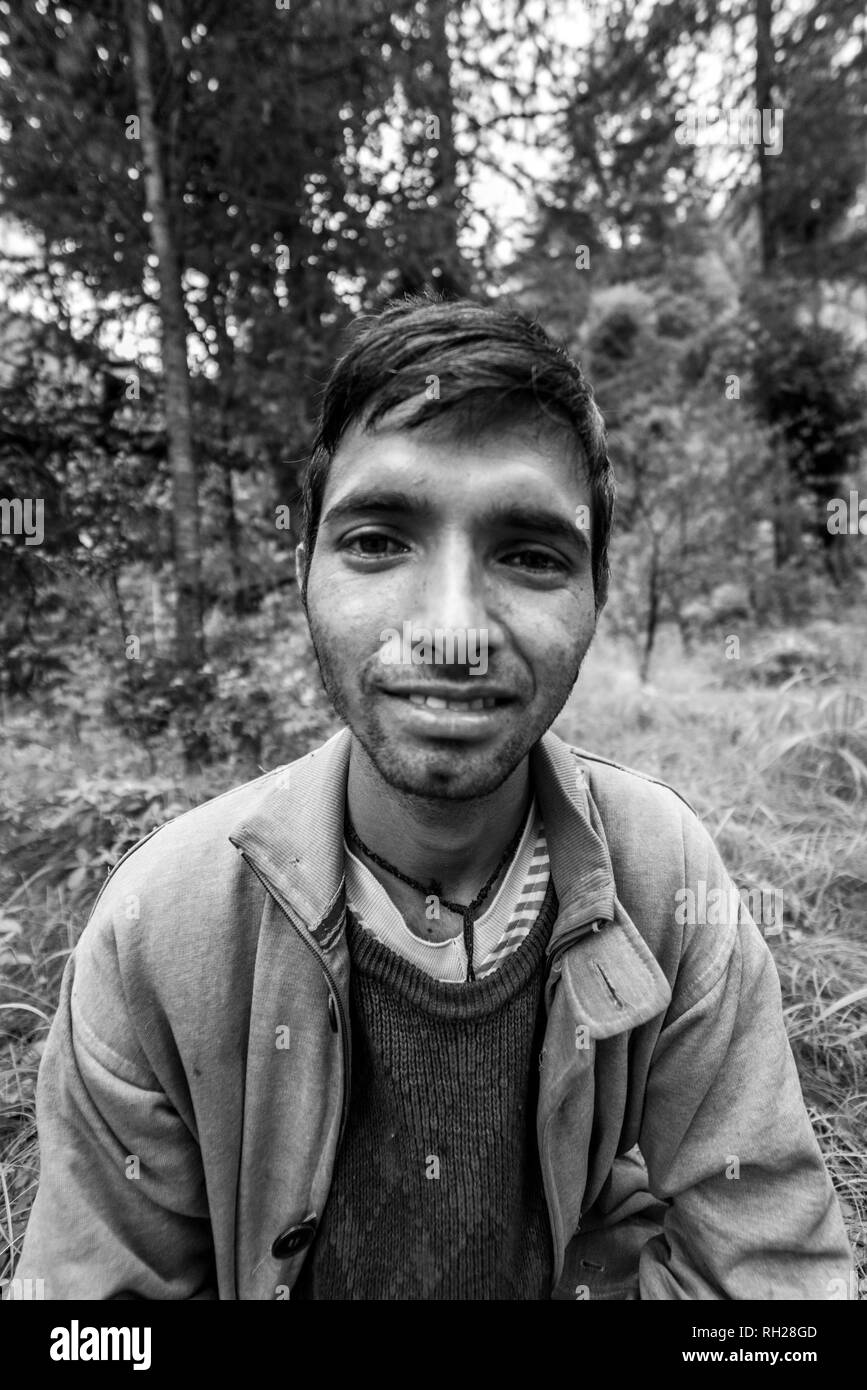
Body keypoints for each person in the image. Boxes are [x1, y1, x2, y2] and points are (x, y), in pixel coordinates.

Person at [12, 297, 854, 1300]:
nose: (452, 634)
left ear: (596, 593)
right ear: (303, 575)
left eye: (531, 554)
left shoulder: (667, 878)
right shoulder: (161, 929)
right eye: (378, 540)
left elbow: (773, 1288)